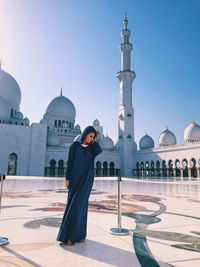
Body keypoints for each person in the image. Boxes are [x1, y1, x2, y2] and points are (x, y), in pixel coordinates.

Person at [57, 126, 102, 246]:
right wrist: (67, 178)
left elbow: (99, 150)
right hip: (74, 179)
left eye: (93, 137)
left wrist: (94, 140)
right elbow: (70, 162)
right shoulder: (75, 146)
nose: (91, 139)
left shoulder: (92, 148)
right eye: (90, 136)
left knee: (81, 205)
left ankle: (77, 235)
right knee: (73, 205)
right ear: (85, 134)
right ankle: (71, 235)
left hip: (87, 180)